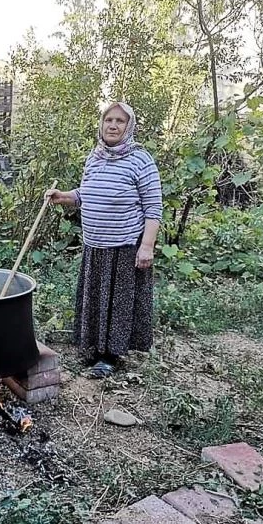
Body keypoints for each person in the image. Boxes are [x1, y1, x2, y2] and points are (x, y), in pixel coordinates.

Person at [45, 102, 162, 378]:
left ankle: (110, 356)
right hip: (94, 245)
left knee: (117, 302)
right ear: (101, 124)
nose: (112, 125)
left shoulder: (140, 160)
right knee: (96, 297)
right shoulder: (95, 157)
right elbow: (86, 193)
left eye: (119, 121)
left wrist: (146, 246)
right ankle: (93, 348)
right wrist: (65, 196)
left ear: (129, 126)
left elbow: (154, 207)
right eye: (108, 119)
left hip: (124, 246)